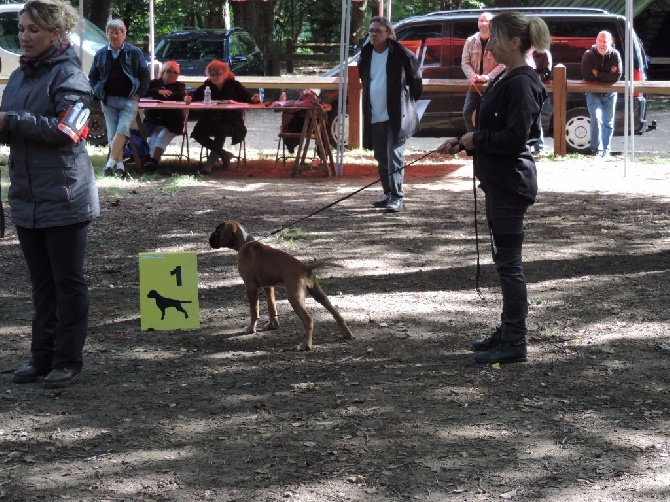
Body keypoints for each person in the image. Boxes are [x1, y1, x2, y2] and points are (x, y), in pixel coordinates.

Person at [438, 11, 550, 364]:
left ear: (515, 43)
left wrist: (477, 137)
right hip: (500, 181)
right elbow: (495, 131)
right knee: (505, 260)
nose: (490, 47)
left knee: (509, 264)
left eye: (496, 40)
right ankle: (507, 330)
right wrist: (464, 141)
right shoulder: (507, 77)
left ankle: (515, 341)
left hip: (510, 183)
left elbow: (515, 137)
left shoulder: (521, 82)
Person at [0, 0, 100, 388]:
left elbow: (70, 131)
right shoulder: (20, 78)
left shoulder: (71, 77)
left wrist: (13, 121)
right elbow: (17, 130)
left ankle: (67, 360)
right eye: (21, 29)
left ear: (56, 34)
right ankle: (41, 358)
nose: (24, 37)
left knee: (67, 282)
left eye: (33, 30)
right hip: (27, 197)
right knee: (41, 284)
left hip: (65, 196)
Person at [358, 15, 422, 213]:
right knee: (380, 155)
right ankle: (388, 194)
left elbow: (416, 80)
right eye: (371, 31)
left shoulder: (401, 53)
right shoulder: (366, 52)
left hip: (397, 115)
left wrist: (406, 101)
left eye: (378, 31)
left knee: (394, 154)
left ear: (388, 33)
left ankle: (397, 196)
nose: (373, 35)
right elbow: (364, 76)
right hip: (375, 113)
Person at [89, 19, 149, 178]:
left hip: (129, 99)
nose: (114, 35)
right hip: (107, 99)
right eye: (111, 32)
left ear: (124, 34)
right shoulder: (101, 53)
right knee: (112, 133)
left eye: (118, 32)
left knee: (121, 130)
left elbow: (144, 74)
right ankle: (120, 166)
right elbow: (92, 76)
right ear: (107, 34)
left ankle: (109, 164)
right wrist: (98, 91)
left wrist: (139, 93)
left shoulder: (134, 52)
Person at [190, 60, 259, 173]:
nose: (214, 77)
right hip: (210, 119)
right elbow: (194, 95)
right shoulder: (207, 85)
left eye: (217, 74)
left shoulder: (234, 85)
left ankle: (209, 163)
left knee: (221, 129)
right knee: (197, 134)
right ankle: (224, 154)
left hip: (230, 120)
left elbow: (248, 97)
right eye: (211, 74)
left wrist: (253, 99)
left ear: (225, 74)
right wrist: (189, 97)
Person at [461, 12, 505, 133]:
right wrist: (473, 76)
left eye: (487, 21)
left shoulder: (499, 41)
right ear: (478, 23)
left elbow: (503, 63)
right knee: (467, 112)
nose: (484, 23)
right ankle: (472, 141)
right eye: (481, 20)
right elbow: (465, 62)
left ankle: (491, 142)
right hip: (475, 85)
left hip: (494, 85)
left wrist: (488, 77)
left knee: (493, 114)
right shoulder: (470, 41)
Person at [581, 30, 622, 157]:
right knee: (596, 119)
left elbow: (617, 76)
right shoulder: (588, 55)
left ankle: (607, 150)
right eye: (600, 41)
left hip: (610, 93)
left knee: (608, 122)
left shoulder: (615, 55)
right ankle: (596, 150)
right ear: (596, 41)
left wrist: (598, 73)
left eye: (605, 41)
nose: (602, 44)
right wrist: (608, 74)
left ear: (611, 42)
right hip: (593, 93)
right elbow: (586, 75)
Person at [142, 61, 188, 171]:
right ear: (162, 72)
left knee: (163, 135)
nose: (172, 74)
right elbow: (143, 92)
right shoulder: (154, 83)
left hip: (172, 121)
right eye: (169, 71)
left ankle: (152, 161)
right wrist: (158, 91)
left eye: (175, 73)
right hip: (153, 120)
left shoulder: (179, 85)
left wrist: (163, 95)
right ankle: (153, 161)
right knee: (153, 138)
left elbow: (180, 96)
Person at [526, 47, 552, 153]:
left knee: (536, 117)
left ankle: (539, 147)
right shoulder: (521, 51)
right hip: (522, 86)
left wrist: (532, 78)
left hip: (536, 88)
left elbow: (546, 72)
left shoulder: (544, 53)